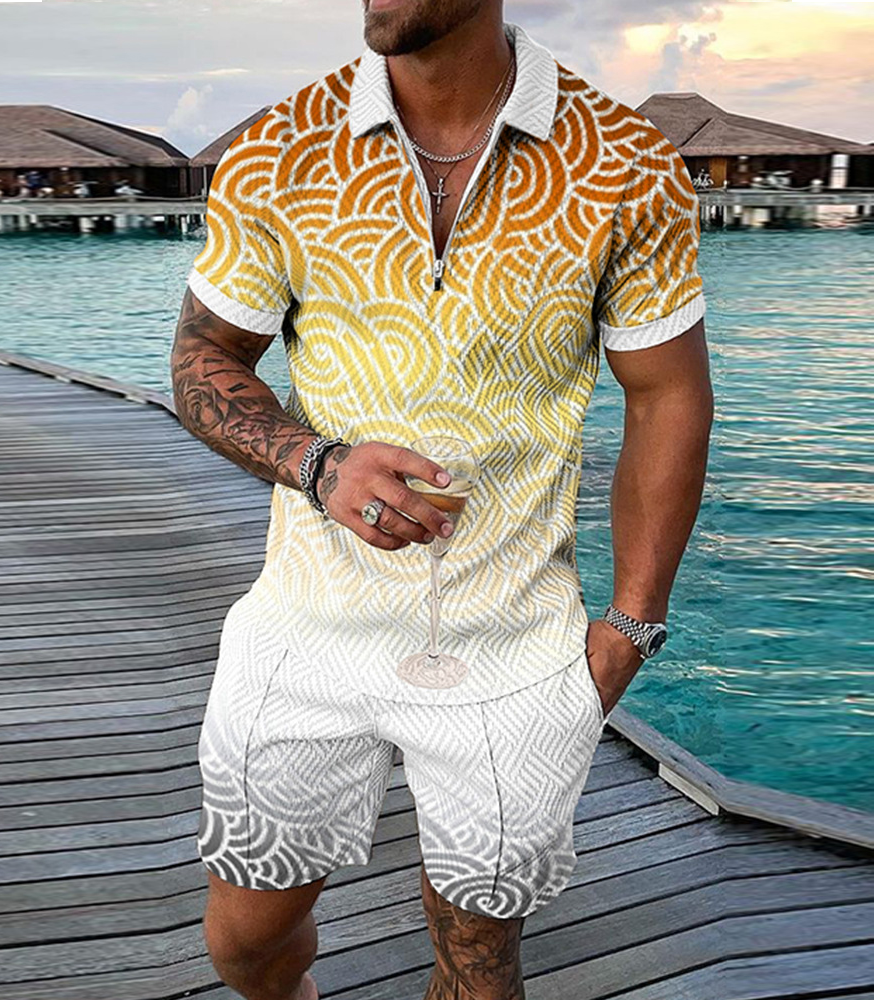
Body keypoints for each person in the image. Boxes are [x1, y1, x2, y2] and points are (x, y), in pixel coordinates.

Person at [172, 2, 713, 997]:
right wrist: (316, 463)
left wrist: (632, 624)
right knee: (243, 943)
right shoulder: (277, 151)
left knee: (478, 962)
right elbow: (204, 356)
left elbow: (666, 393)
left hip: (512, 644)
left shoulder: (625, 162)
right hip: (304, 628)